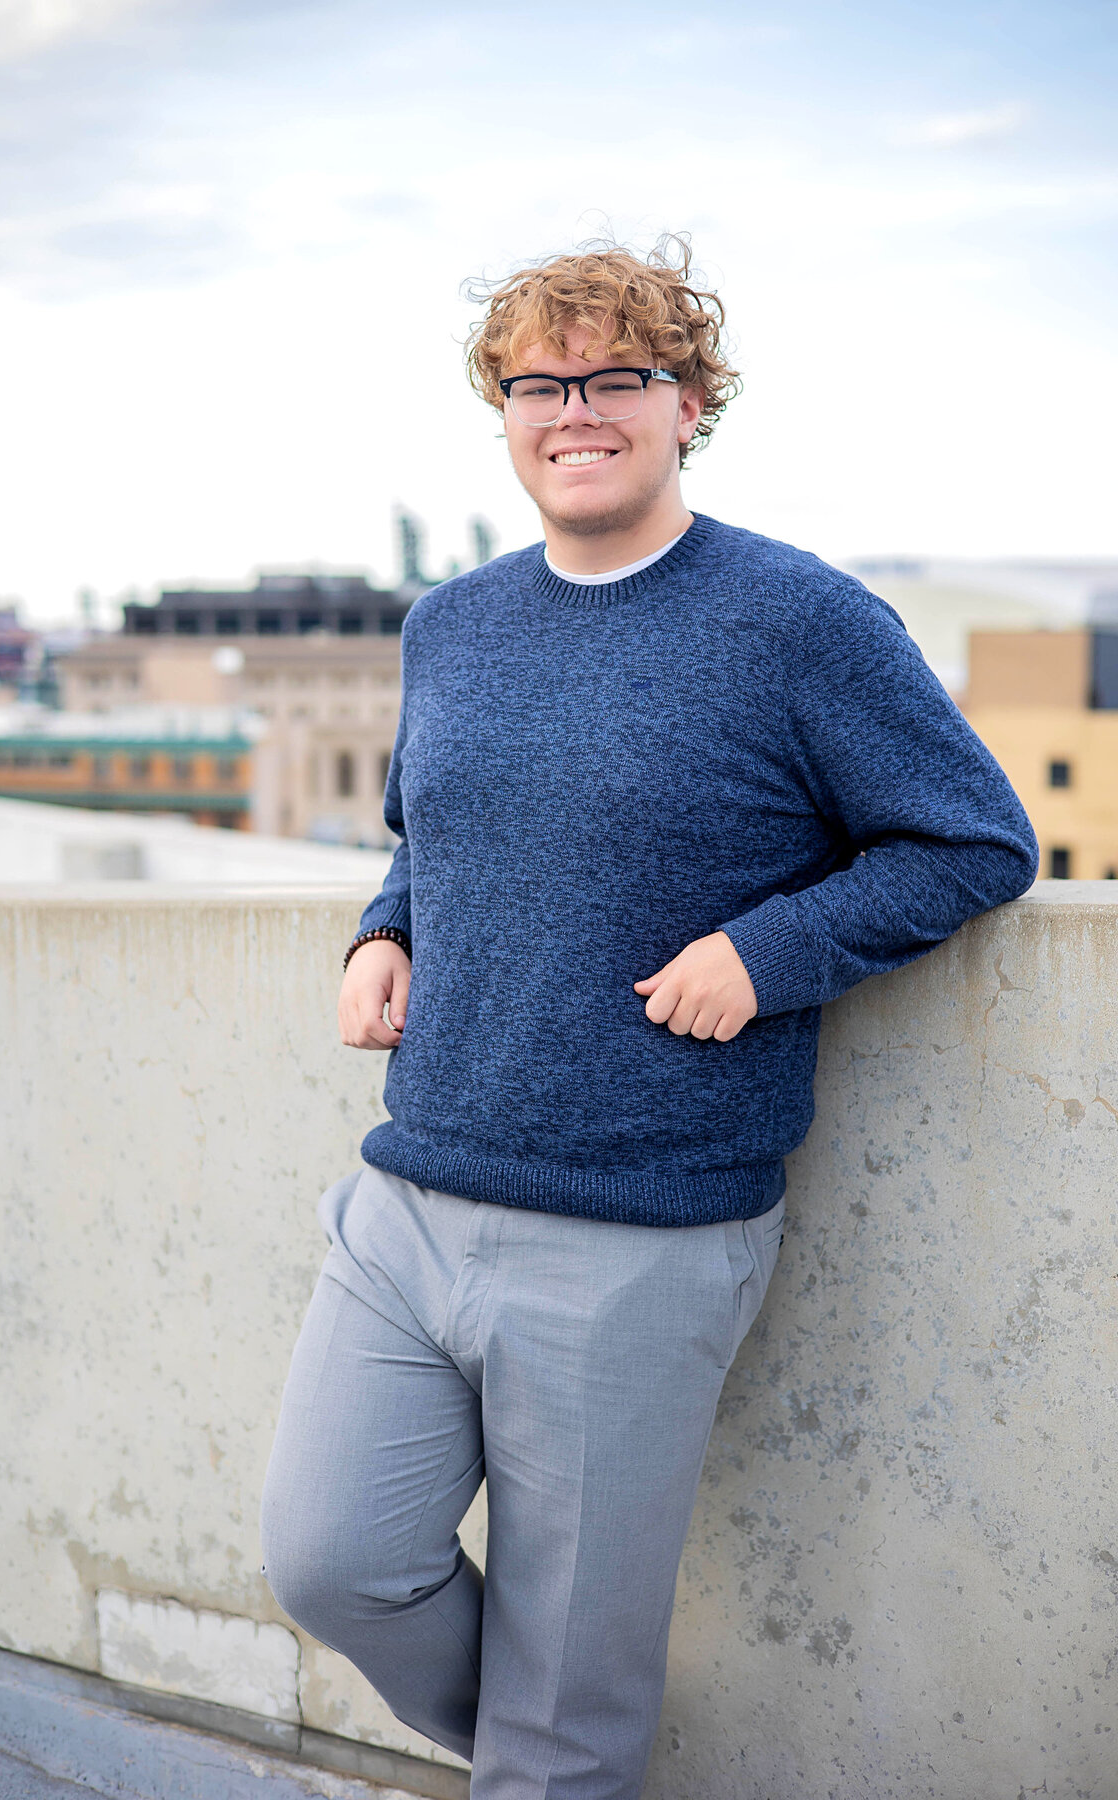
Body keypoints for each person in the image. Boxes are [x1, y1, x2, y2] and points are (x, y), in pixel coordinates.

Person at [260, 237, 1039, 1798]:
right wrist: (382, 930)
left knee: (570, 1702)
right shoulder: (451, 624)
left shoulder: (798, 619)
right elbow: (432, 834)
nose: (579, 410)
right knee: (331, 1561)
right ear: (503, 409)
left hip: (639, 1234)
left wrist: (771, 948)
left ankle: (565, 1763)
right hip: (414, 1194)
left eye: (620, 376)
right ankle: (565, 1761)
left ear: (690, 403)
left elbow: (974, 840)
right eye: (541, 382)